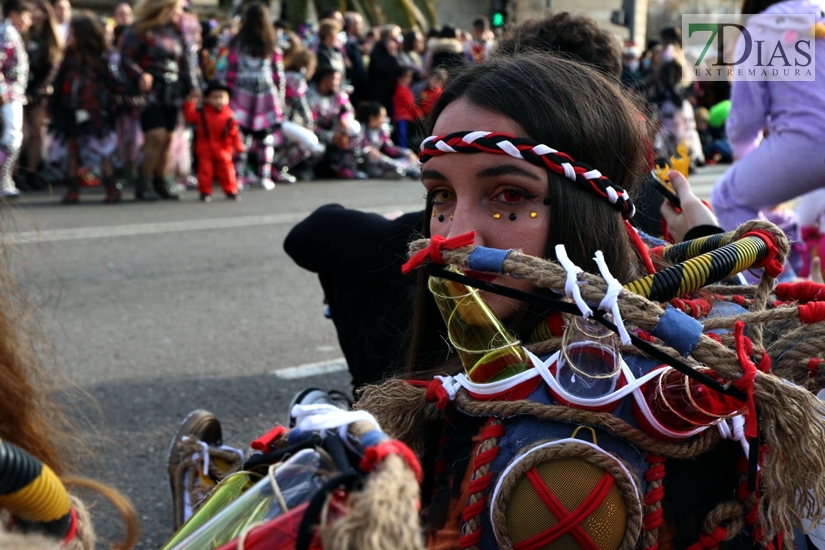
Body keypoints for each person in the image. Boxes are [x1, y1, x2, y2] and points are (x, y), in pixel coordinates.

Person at [710, 0, 825, 231]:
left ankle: (779, 264)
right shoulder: (819, 17)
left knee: (727, 199)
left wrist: (745, 154)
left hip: (807, 143)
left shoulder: (757, 31)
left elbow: (746, 119)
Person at [120, 0, 197, 201]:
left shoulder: (175, 33)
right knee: (156, 136)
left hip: (172, 90)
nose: (180, 13)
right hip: (151, 91)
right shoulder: (139, 30)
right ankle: (143, 179)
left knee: (169, 139)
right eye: (178, 8)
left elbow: (185, 63)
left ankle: (160, 180)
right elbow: (125, 58)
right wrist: (139, 75)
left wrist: (192, 86)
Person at [50, 11, 121, 204]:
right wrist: (52, 105)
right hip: (71, 110)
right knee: (72, 148)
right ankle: (72, 189)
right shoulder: (68, 59)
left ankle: (111, 186)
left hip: (96, 110)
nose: (69, 38)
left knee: (103, 149)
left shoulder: (101, 60)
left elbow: (113, 82)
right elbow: (57, 83)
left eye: (73, 34)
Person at [220, 1, 291, 189]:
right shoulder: (271, 42)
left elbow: (230, 70)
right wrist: (280, 98)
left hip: (241, 91)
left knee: (241, 136)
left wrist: (227, 92)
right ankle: (264, 176)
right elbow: (278, 74)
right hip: (265, 92)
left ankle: (240, 176)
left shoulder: (237, 42)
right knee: (265, 136)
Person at [20, 0, 60, 191]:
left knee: (36, 133)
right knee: (23, 133)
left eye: (40, 11)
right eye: (33, 10)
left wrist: (37, 92)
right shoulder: (20, 33)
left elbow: (52, 68)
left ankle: (31, 172)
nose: (36, 14)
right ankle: (13, 173)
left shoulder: (50, 38)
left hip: (38, 93)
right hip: (18, 90)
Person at [182, 80, 243, 202]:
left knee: (227, 171)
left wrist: (239, 146)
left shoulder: (230, 115)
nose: (219, 100)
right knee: (205, 171)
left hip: (224, 149)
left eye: (222, 97)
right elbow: (189, 116)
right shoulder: (202, 113)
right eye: (215, 97)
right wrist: (190, 102)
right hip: (205, 148)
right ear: (207, 99)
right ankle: (205, 191)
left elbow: (235, 133)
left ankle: (231, 190)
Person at [306, 66, 363, 180]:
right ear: (325, 81)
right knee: (314, 144)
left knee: (353, 127)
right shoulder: (310, 96)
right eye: (336, 79)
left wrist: (344, 118)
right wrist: (330, 136)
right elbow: (308, 124)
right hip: (315, 132)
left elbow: (349, 110)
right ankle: (307, 169)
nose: (338, 83)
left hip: (334, 129)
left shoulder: (338, 94)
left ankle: (346, 168)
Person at [0, 0, 29, 199]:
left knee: (13, 135)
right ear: (14, 14)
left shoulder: (12, 32)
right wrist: (2, 89)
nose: (30, 21)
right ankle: (3, 179)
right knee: (13, 136)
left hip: (13, 93)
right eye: (26, 15)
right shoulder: (7, 33)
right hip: (9, 94)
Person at [356, 101, 419, 179]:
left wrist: (407, 153)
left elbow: (390, 148)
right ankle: (405, 170)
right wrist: (368, 151)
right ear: (372, 118)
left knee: (408, 156)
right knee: (370, 152)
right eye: (382, 117)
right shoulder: (360, 130)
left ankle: (404, 169)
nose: (384, 120)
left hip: (381, 163)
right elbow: (355, 151)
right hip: (364, 164)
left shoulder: (381, 131)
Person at [366, 24, 402, 117]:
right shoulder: (380, 47)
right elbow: (382, 68)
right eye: (397, 32)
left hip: (389, 91)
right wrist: (391, 55)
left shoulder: (394, 48)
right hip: (379, 91)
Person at [392, 66, 422, 149]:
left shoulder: (405, 88)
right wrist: (419, 114)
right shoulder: (402, 89)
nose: (410, 79)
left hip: (406, 118)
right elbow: (410, 104)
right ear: (400, 77)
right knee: (402, 138)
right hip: (402, 117)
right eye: (407, 76)